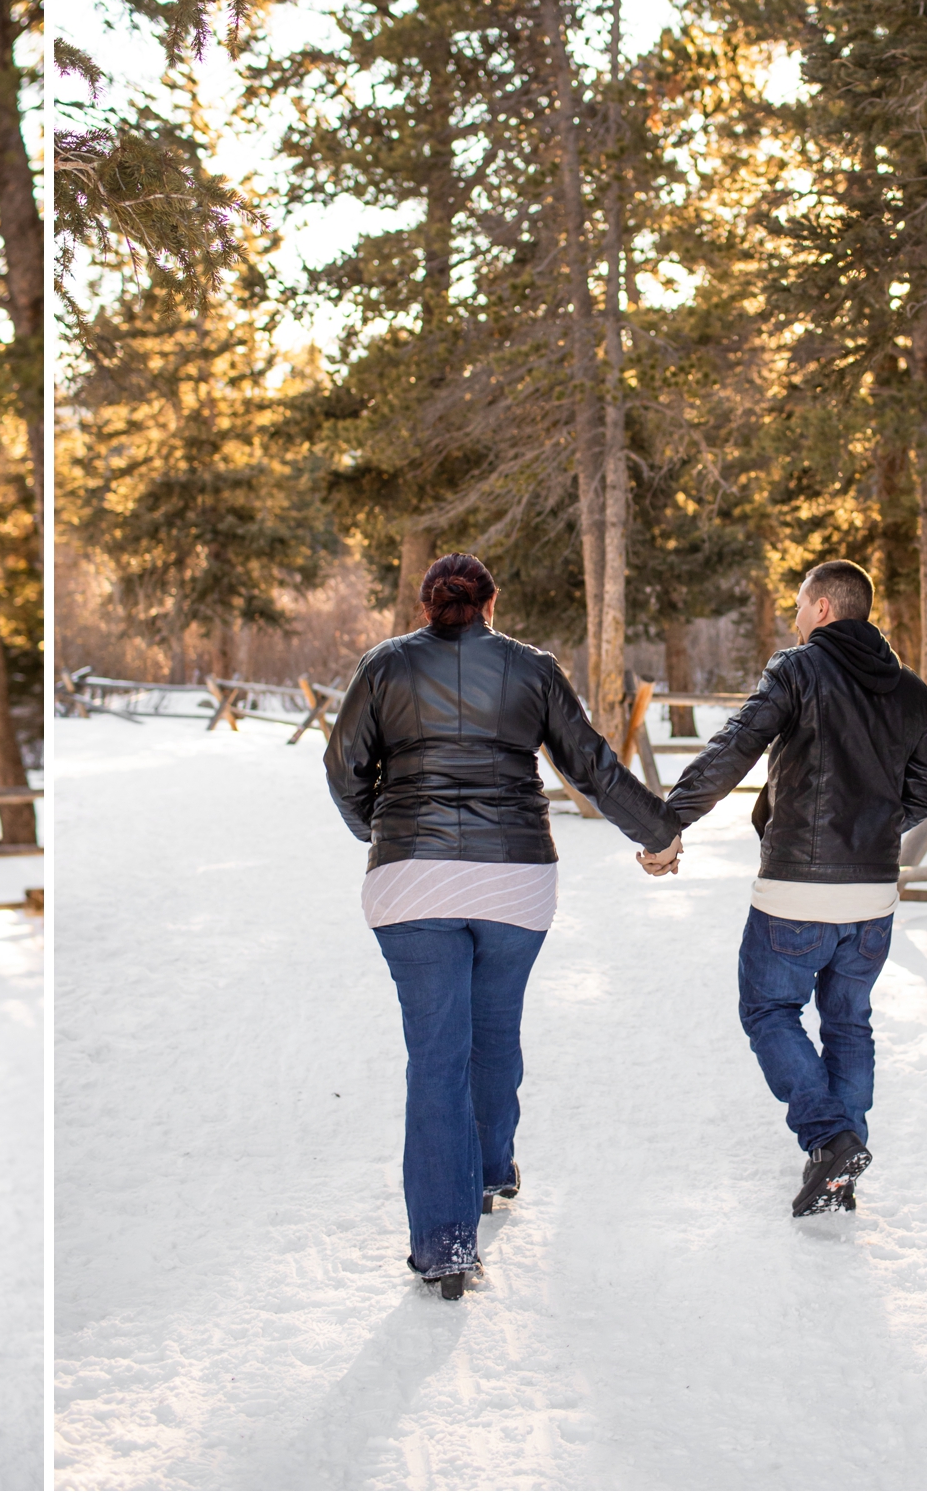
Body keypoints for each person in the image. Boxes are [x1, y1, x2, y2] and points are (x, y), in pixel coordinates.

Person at [324, 553, 681, 1298]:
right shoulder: (532, 668)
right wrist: (655, 831)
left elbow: (343, 766)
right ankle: (487, 1174)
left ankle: (446, 1245)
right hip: (516, 879)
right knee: (493, 1032)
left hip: (411, 880)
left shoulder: (384, 666)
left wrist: (381, 831)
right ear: (492, 602)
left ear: (427, 606)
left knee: (436, 1057)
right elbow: (590, 764)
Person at [648, 559, 927, 1217]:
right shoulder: (911, 691)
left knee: (769, 1012)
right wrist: (870, 829)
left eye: (798, 603)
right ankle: (840, 1166)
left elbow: (735, 745)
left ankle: (830, 1139)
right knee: (849, 1023)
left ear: (822, 608)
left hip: (796, 890)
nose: (793, 614)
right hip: (872, 895)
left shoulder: (797, 669)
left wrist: (666, 822)